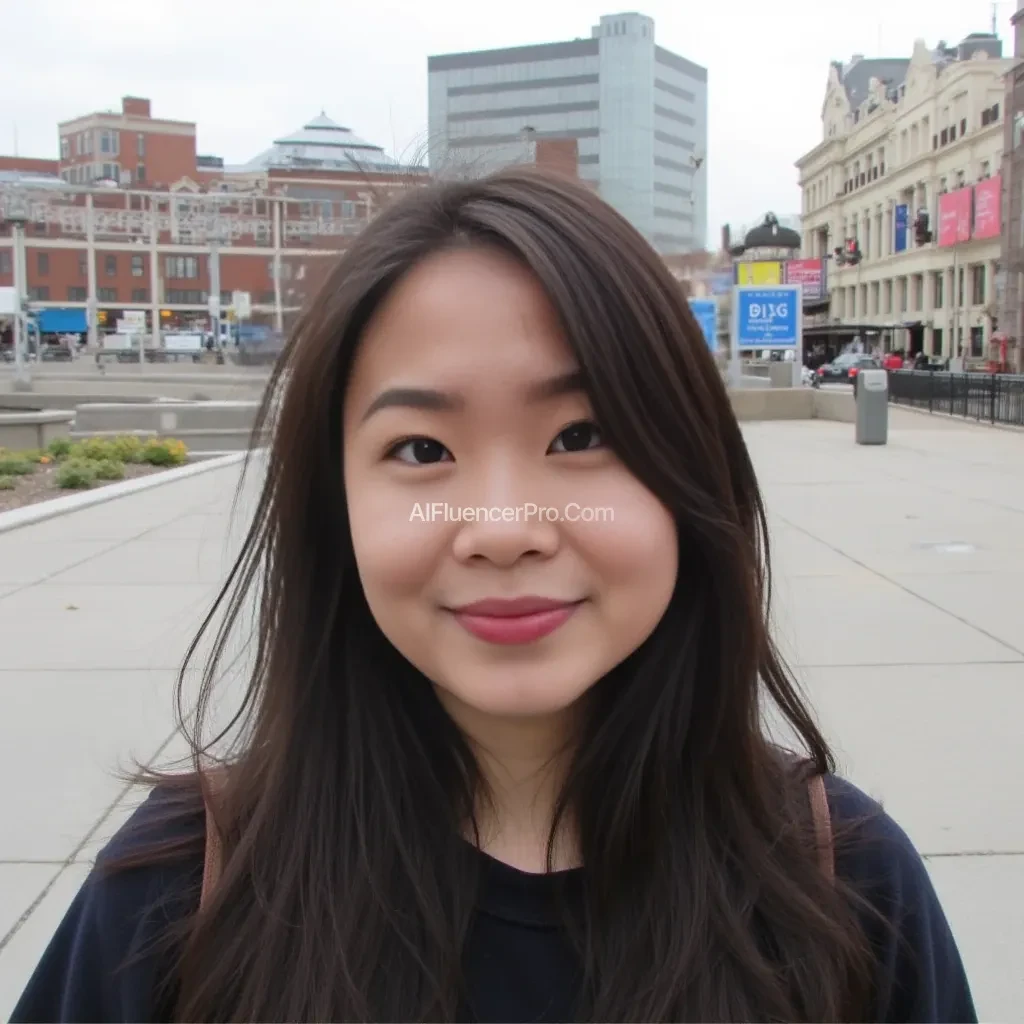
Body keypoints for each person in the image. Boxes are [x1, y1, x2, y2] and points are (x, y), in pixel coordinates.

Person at [11, 169, 976, 1024]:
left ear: (694, 476)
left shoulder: (846, 883)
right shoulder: (182, 892)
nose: (505, 527)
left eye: (582, 434)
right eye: (421, 451)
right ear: (331, 505)